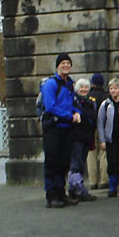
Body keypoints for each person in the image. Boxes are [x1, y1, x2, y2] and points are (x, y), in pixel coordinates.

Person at [41, 53, 81, 208]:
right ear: (57, 66)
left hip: (66, 128)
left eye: (68, 63)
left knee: (64, 162)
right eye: (63, 63)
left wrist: (77, 113)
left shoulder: (70, 84)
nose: (66, 66)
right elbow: (51, 106)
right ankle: (51, 195)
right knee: (52, 162)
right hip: (53, 128)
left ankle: (61, 193)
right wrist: (69, 116)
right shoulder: (51, 84)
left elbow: (72, 103)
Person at [67, 78, 98, 202]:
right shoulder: (73, 102)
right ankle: (79, 189)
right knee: (76, 163)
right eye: (81, 87)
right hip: (76, 137)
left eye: (86, 87)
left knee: (80, 163)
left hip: (86, 137)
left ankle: (72, 189)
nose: (84, 89)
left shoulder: (91, 102)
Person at [87, 73, 109, 190]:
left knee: (91, 153)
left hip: (90, 128)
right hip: (104, 126)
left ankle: (92, 181)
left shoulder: (88, 95)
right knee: (104, 153)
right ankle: (104, 180)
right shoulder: (106, 96)